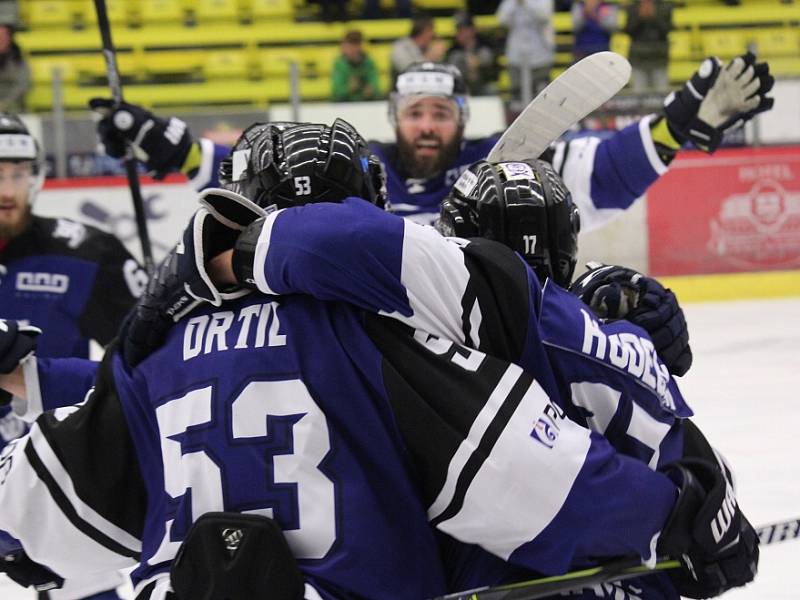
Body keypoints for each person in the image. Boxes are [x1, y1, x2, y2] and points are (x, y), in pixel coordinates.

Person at [0, 121, 758, 600]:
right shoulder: (373, 333)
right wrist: (671, 521)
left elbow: (40, 506)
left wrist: (22, 379)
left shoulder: (157, 346)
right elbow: (523, 477)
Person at [90, 53, 775, 231]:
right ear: (395, 118)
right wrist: (154, 134)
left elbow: (606, 173)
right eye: (415, 113)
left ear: (461, 118)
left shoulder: (506, 164)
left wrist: (681, 121)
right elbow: (241, 174)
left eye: (440, 114)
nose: (427, 125)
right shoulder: (349, 169)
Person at [0, 113, 148, 599]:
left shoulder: (86, 252)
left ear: (37, 176)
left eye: (17, 173)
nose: (6, 188)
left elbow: (145, 368)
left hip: (55, 479)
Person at [496, 0, 555, 108]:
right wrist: (515, 4)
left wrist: (526, 3)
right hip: (516, 54)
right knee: (517, 96)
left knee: (542, 96)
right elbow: (501, 19)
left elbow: (544, 15)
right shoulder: (511, 2)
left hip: (540, 53)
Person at [624, 0, 673, 94]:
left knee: (661, 95)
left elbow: (666, 30)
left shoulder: (666, 6)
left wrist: (655, 16)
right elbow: (628, 30)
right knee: (638, 96)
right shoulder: (632, 8)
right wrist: (640, 17)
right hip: (638, 59)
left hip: (659, 59)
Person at [445, 12, 497, 96]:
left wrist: (477, 63)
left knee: (491, 89)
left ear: (473, 30)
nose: (461, 33)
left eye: (464, 30)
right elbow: (452, 74)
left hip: (482, 85)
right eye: (459, 30)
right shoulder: (453, 50)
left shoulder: (484, 45)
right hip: (462, 88)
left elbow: (491, 70)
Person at [389, 16, 447, 83]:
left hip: (429, 90)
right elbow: (408, 71)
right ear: (423, 31)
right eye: (431, 31)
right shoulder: (400, 47)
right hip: (401, 91)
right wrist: (430, 57)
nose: (434, 36)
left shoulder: (429, 48)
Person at [330, 29, 381, 102]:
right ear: (344, 46)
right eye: (351, 45)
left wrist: (370, 91)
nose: (354, 49)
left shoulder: (369, 63)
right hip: (344, 105)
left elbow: (375, 87)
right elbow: (337, 92)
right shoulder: (339, 65)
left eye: (356, 45)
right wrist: (349, 89)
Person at [0, 18, 29, 113]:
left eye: (3, 36)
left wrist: (5, 104)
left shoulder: (18, 58)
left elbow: (22, 85)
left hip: (13, 107)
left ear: (10, 38)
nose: (1, 40)